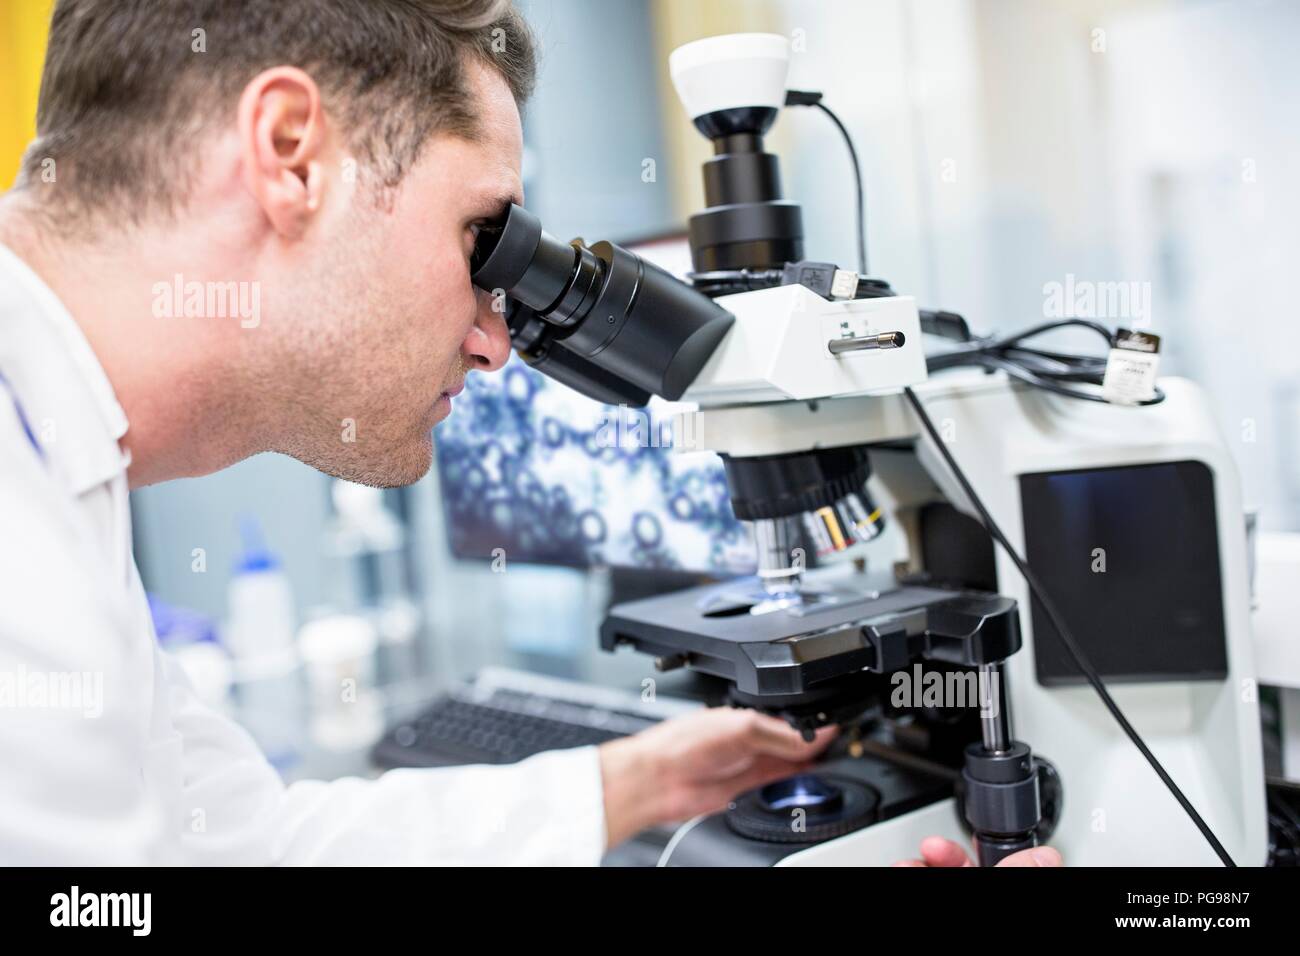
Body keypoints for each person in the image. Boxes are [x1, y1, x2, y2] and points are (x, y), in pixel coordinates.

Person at [0, 0, 1058, 867]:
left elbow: (249, 845)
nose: (497, 342)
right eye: (482, 237)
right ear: (291, 156)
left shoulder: (60, 470)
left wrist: (633, 779)